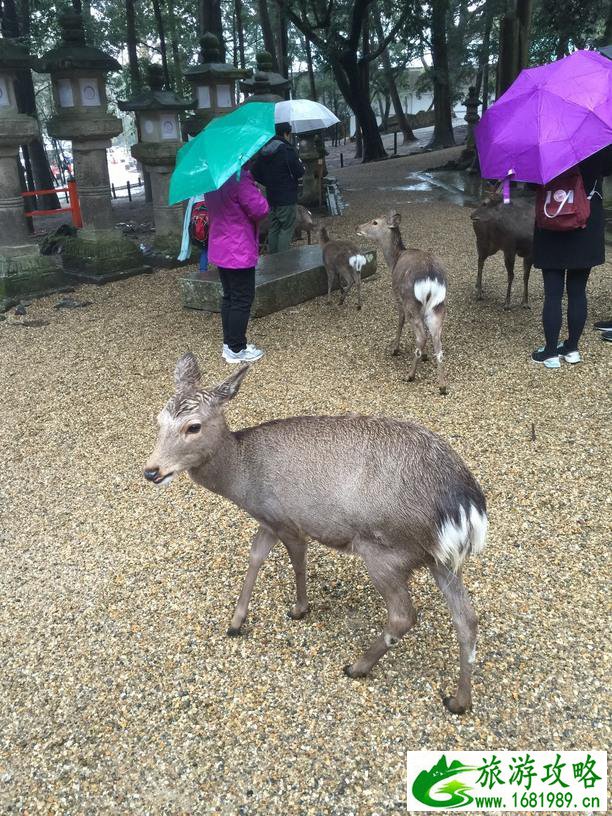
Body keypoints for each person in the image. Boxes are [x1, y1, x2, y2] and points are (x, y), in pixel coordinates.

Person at [531, 146, 612, 369]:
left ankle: (549, 353)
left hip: (552, 220)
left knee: (553, 293)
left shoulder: (545, 144)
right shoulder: (598, 142)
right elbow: (606, 170)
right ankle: (572, 348)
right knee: (577, 291)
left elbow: (530, 184)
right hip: (586, 222)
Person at [205, 164, 269, 363]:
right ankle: (236, 349)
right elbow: (260, 209)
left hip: (221, 246)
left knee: (230, 297)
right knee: (242, 299)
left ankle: (230, 344)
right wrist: (257, 190)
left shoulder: (214, 179)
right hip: (238, 248)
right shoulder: (239, 178)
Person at [252, 122, 305, 254]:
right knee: (286, 229)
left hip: (271, 197)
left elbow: (255, 173)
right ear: (286, 134)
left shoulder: (263, 151)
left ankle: (273, 260)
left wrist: (269, 182)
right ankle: (282, 262)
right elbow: (299, 172)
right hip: (286, 197)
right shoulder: (287, 151)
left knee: (274, 228)